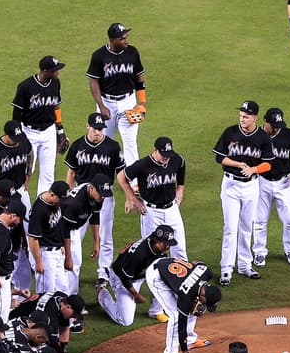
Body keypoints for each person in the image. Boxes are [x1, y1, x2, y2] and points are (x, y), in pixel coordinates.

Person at [213, 101, 275, 285]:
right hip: (230, 185)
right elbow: (219, 157)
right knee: (230, 228)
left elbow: (269, 163)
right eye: (241, 116)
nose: (242, 119)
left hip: (251, 186)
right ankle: (226, 268)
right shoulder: (230, 132)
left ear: (255, 118)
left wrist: (254, 169)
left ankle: (244, 265)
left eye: (246, 117)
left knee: (247, 227)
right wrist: (238, 164)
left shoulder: (263, 137)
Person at [65, 113, 124, 277]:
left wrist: (129, 196)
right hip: (81, 197)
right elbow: (71, 172)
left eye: (100, 129)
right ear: (87, 126)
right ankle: (71, 274)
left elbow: (120, 173)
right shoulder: (77, 145)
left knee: (105, 235)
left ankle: (103, 275)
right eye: (94, 128)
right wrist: (68, 196)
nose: (97, 132)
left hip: (105, 196)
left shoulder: (112, 146)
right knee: (75, 236)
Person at [119, 136, 188, 262]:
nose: (167, 157)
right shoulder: (143, 165)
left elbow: (181, 164)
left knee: (179, 249)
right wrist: (133, 199)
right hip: (151, 212)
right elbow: (121, 177)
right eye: (163, 154)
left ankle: (181, 274)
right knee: (151, 251)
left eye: (168, 154)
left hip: (172, 209)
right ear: (155, 150)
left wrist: (180, 188)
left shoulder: (175, 159)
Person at [252, 108, 290, 267]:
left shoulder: (289, 135)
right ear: (265, 121)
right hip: (262, 182)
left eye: (278, 125)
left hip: (285, 183)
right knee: (259, 220)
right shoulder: (256, 136)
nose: (276, 128)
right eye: (273, 125)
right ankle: (259, 252)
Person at [86, 22, 146, 161]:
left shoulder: (132, 52)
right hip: (107, 102)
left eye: (126, 37)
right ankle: (104, 173)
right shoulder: (99, 56)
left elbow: (139, 77)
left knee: (130, 143)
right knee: (104, 141)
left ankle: (132, 175)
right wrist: (101, 106)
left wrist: (142, 102)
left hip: (129, 102)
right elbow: (93, 82)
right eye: (122, 38)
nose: (126, 40)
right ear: (112, 40)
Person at [147, 258, 222, 353]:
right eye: (206, 302)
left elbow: (196, 262)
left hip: (170, 267)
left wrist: (188, 273)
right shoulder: (186, 296)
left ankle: (191, 340)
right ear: (203, 295)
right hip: (157, 276)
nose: (205, 305)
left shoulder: (207, 272)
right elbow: (181, 327)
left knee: (194, 308)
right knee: (175, 316)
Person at [97, 225, 175, 326]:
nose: (168, 247)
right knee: (125, 320)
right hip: (121, 277)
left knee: (168, 279)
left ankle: (156, 311)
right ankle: (102, 294)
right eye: (165, 244)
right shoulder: (139, 254)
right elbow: (125, 278)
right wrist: (136, 295)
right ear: (156, 241)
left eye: (169, 244)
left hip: (140, 273)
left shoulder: (156, 243)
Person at [12, 55, 67, 194]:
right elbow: (16, 115)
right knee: (25, 171)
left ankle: (43, 204)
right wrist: (19, 138)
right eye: (55, 70)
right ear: (45, 71)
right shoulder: (25, 87)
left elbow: (56, 107)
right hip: (29, 132)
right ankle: (20, 203)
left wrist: (60, 131)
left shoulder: (55, 83)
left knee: (48, 173)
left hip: (49, 132)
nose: (58, 72)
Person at [26, 180, 70, 295]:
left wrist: (61, 244)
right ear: (52, 194)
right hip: (45, 254)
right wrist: (38, 262)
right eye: (61, 199)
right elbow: (32, 238)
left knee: (63, 290)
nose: (62, 203)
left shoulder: (55, 203)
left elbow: (57, 225)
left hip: (57, 252)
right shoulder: (40, 209)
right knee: (46, 293)